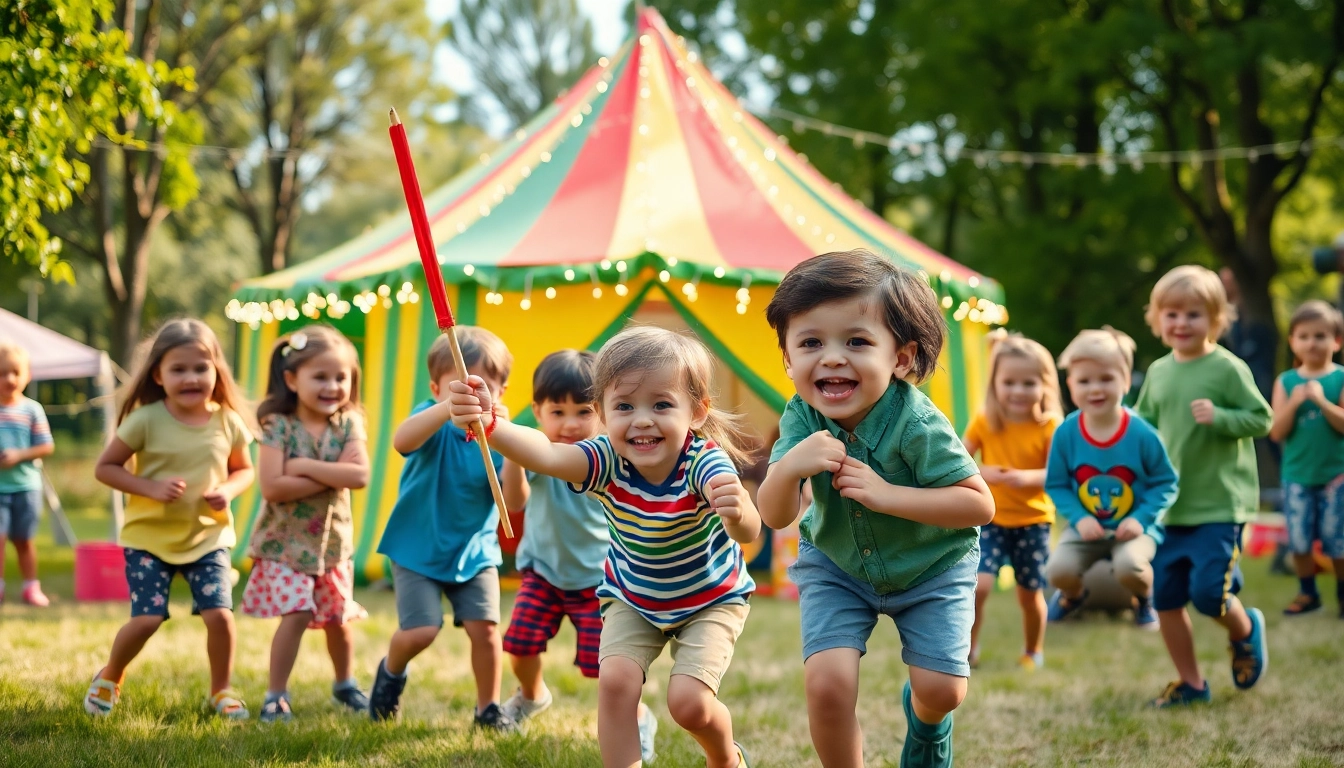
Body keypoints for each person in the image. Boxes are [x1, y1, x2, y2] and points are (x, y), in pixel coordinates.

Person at [447, 326, 761, 768]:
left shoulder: (702, 459)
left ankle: (726, 757)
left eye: (662, 404)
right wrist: (491, 423)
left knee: (688, 704)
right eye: (625, 406)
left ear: (696, 412)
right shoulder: (606, 458)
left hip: (709, 600)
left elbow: (749, 533)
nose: (643, 419)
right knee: (614, 683)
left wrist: (738, 510)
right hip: (633, 597)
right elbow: (547, 454)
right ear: (603, 413)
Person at [756, 250, 995, 768]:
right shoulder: (801, 416)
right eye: (811, 342)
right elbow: (773, 517)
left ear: (901, 358)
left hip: (933, 564)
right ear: (788, 359)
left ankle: (928, 723)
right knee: (827, 685)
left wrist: (886, 494)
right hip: (838, 566)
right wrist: (789, 467)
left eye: (857, 341)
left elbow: (979, 504)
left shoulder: (917, 423)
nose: (833, 357)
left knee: (942, 691)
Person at [85, 319, 255, 719]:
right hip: (149, 539)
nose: (191, 377)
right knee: (146, 619)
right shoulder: (146, 420)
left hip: (208, 538)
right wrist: (149, 487)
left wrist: (228, 491)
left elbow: (244, 470)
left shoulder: (227, 421)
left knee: (220, 616)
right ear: (158, 374)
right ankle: (110, 676)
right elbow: (106, 468)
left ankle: (221, 691)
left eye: (201, 368)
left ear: (217, 370)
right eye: (179, 369)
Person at [497, 349, 658, 761]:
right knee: (519, 646)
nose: (569, 424)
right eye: (557, 411)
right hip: (544, 573)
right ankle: (532, 697)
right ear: (537, 411)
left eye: (583, 411)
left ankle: (638, 718)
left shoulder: (608, 458)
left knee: (608, 669)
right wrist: (514, 457)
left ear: (603, 411)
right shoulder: (535, 450)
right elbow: (513, 502)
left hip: (599, 581)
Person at [367, 327, 517, 731]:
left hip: (475, 551)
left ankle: (488, 709)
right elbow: (402, 441)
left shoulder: (501, 439)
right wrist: (444, 408)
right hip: (418, 548)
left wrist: (510, 448)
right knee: (420, 630)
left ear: (501, 392)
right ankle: (390, 674)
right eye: (456, 389)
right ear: (436, 388)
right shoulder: (429, 421)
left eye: (481, 388)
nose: (468, 398)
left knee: (486, 631)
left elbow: (515, 503)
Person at [1135, 265, 1272, 708]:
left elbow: (1262, 418)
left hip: (1219, 504)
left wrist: (1222, 417)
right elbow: (1144, 428)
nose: (1181, 323)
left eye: (1193, 314)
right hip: (1170, 509)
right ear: (1157, 319)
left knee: (1209, 594)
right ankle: (1191, 683)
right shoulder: (1157, 372)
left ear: (1215, 319)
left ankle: (1245, 629)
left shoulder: (1228, 368)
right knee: (1167, 599)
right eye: (1171, 314)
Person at [240, 326, 371, 721]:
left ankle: (344, 683)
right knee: (296, 614)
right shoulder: (277, 425)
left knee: (337, 618)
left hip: (332, 544)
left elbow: (360, 476)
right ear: (292, 379)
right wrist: (333, 472)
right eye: (321, 377)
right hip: (284, 544)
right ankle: (276, 694)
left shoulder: (349, 423)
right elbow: (273, 487)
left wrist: (301, 466)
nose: (332, 386)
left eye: (341, 377)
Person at [1042, 329, 1178, 631]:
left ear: (1126, 381)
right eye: (1084, 381)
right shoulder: (1066, 432)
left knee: (1131, 566)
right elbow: (1056, 484)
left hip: (1133, 529)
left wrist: (1142, 519)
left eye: (1106, 379)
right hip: (1086, 529)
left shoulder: (1142, 433)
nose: (1095, 389)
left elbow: (1166, 482)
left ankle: (1143, 599)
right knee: (1057, 571)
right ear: (1070, 385)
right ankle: (1074, 597)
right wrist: (1079, 518)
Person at [962, 332, 1063, 670]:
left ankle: (1033, 650)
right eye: (1010, 382)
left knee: (1029, 594)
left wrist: (1028, 478)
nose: (1019, 391)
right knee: (979, 586)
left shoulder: (1049, 426)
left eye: (1028, 383)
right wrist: (983, 471)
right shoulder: (985, 420)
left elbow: (1059, 473)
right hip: (990, 518)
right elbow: (957, 460)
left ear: (1045, 385)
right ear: (995, 384)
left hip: (1032, 522)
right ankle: (968, 647)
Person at [1267, 300, 1344, 617]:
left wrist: (1322, 402)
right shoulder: (1286, 382)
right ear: (1293, 341)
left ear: (1336, 341)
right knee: (1298, 540)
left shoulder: (1339, 377)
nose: (1312, 343)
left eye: (1321, 335)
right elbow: (1276, 432)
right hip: (1297, 475)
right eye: (1305, 336)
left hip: (1336, 476)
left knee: (1338, 539)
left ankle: (1342, 594)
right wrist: (1295, 402)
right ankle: (1307, 593)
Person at [0, 342, 55, 606]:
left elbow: (47, 445)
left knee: (24, 540)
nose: (9, 379)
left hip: (25, 487)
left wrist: (19, 455)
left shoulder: (32, 409)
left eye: (14, 372)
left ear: (27, 375)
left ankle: (31, 587)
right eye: (1, 373)